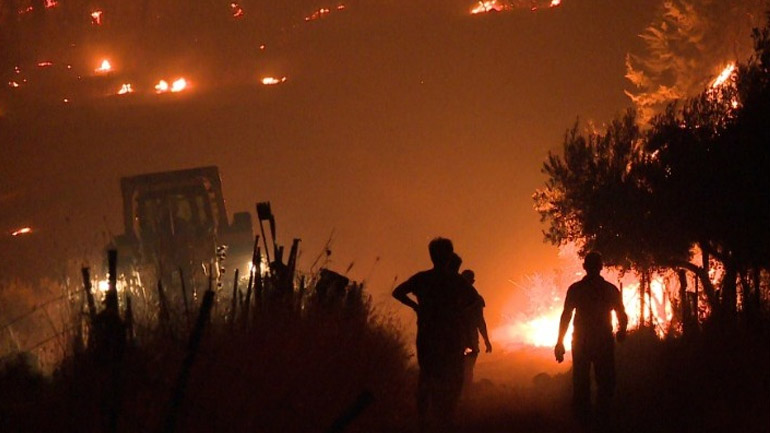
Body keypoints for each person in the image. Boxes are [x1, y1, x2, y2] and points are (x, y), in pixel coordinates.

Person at [392, 238, 477, 431]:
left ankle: (422, 419)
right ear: (449, 256)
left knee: (427, 375)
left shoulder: (422, 278)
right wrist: (457, 310)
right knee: (453, 376)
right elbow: (474, 299)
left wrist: (417, 307)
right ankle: (447, 418)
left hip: (427, 334)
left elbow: (398, 292)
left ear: (431, 255)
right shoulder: (456, 280)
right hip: (451, 335)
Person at [555, 251, 628, 424]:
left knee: (581, 383)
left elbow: (566, 316)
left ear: (584, 267)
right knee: (606, 382)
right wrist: (622, 330)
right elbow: (621, 314)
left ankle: (584, 421)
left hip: (581, 341)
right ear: (601, 267)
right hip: (603, 341)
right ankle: (602, 419)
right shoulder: (610, 289)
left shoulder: (576, 289)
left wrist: (560, 342)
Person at [460, 269, 491, 394]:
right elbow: (480, 322)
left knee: (464, 370)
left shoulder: (452, 297)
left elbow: (480, 322)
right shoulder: (477, 299)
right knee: (467, 370)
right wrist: (486, 341)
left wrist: (486, 341)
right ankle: (465, 395)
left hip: (462, 340)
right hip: (467, 340)